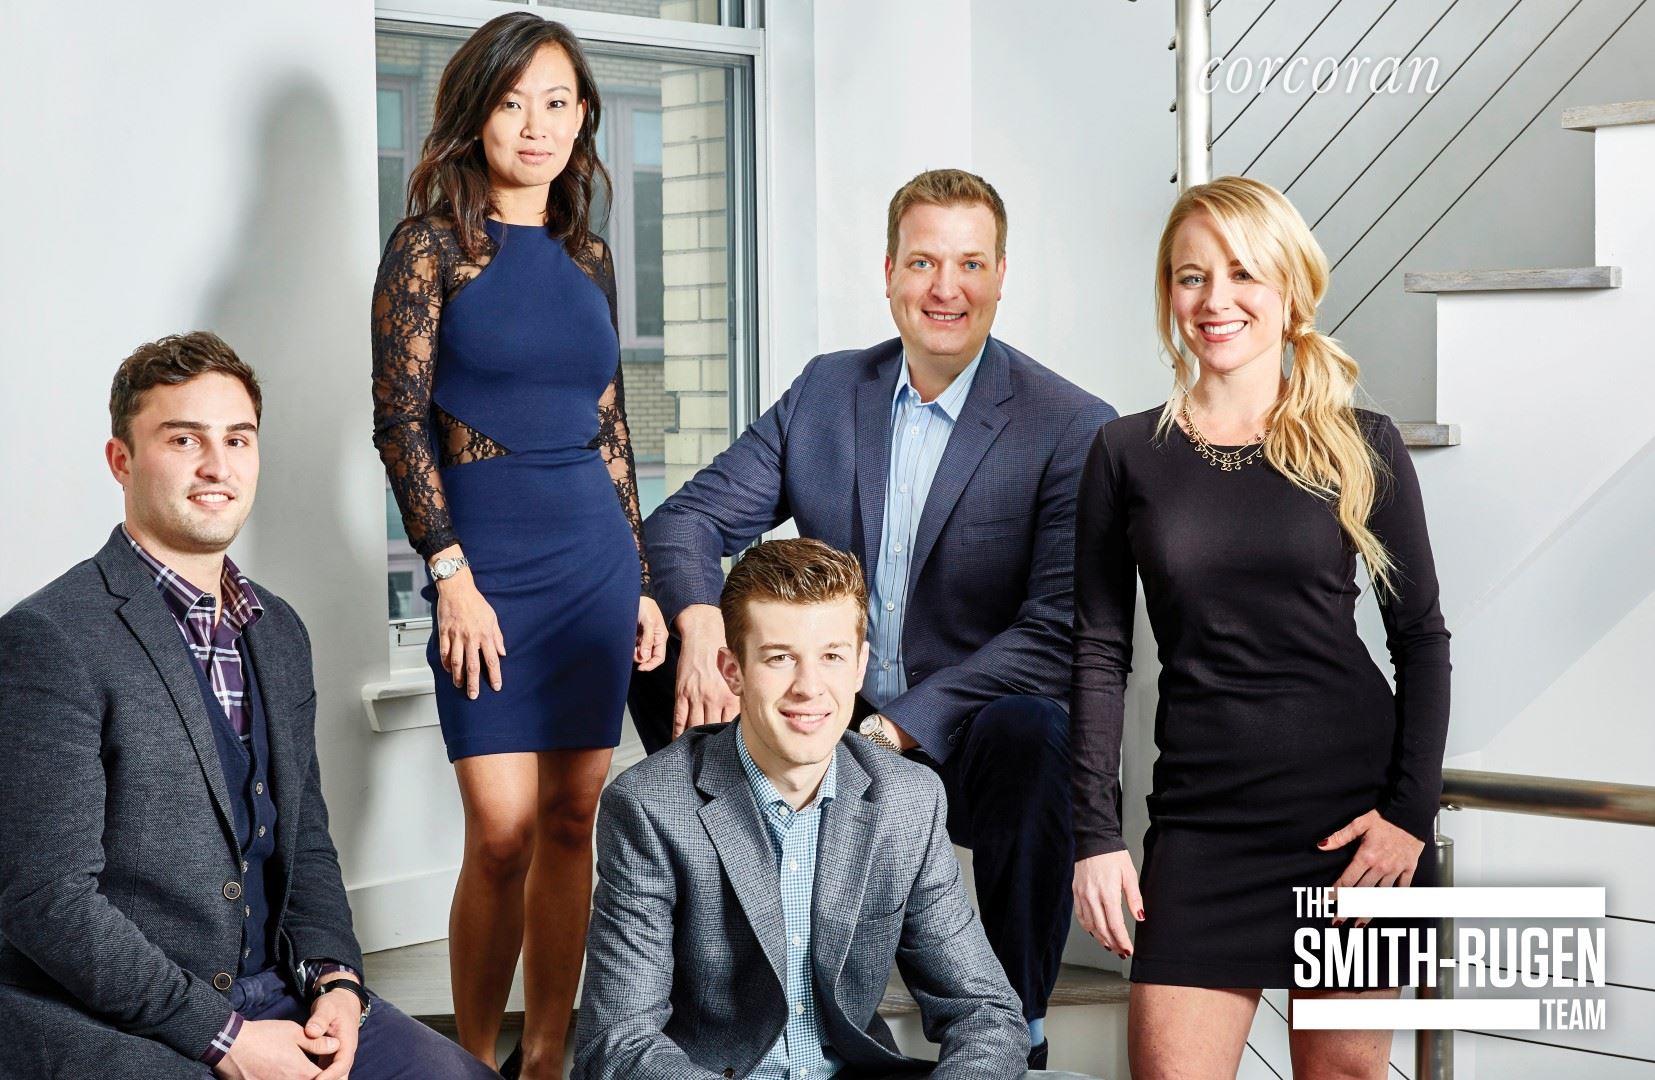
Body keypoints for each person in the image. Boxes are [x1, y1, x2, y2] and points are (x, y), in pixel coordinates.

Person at [629, 169, 1115, 1066]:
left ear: (1001, 275)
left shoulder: (1068, 423)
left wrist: (893, 731)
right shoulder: (828, 390)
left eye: (969, 264)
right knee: (661, 652)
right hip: (827, 700)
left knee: (1034, 732)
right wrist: (697, 621)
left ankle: (1013, 1022)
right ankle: (733, 960)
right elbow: (685, 520)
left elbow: (1055, 629)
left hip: (963, 725)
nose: (945, 287)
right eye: (922, 262)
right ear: (888, 272)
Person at [0, 332, 496, 1080]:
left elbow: (307, 843)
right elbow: (47, 900)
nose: (217, 466)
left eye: (237, 439)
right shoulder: (49, 639)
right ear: (121, 460)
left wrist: (337, 980)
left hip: (279, 993)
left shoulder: (279, 630)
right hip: (118, 1019)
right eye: (183, 439)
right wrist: (225, 1038)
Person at [1069, 176, 1452, 1078]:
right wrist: (1094, 833)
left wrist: (1407, 814)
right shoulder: (1124, 453)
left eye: (1242, 273)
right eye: (1190, 276)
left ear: (1288, 291)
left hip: (1351, 826)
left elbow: (1420, 638)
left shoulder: (1362, 442)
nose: (1216, 300)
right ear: (1168, 295)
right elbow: (1096, 654)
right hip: (1202, 826)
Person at [369, 12, 667, 1075]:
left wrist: (640, 581)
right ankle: (471, 1062)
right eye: (510, 102)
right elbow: (399, 423)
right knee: (499, 830)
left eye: (555, 102)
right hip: (484, 564)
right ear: (474, 112)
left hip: (591, 556)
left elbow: (611, 427)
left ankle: (545, 1058)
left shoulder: (589, 255)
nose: (534, 125)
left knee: (573, 817)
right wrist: (447, 573)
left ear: (582, 117)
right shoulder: (428, 249)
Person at [573, 538, 1029, 1078]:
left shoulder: (907, 799)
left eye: (831, 656)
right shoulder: (650, 807)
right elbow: (619, 1042)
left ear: (859, 667)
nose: (809, 688)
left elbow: (986, 1012)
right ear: (732, 670)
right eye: (779, 658)